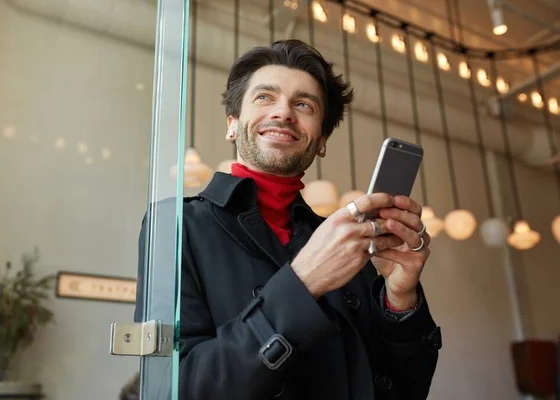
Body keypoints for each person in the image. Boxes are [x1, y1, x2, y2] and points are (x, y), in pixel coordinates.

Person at [135, 39, 442, 400]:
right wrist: (303, 283)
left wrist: (399, 300)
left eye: (303, 104)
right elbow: (172, 387)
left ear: (322, 139)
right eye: (265, 97)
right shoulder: (176, 224)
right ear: (232, 124)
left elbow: (403, 391)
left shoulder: (342, 238)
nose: (284, 113)